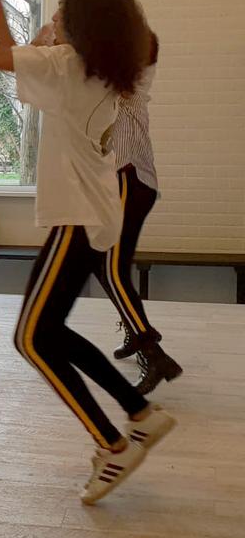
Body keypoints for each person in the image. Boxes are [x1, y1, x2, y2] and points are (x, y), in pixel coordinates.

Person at [0, 0, 175, 503]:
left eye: (62, 6)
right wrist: (5, 8)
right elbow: (18, 57)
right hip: (92, 212)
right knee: (51, 330)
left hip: (77, 216)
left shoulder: (68, 65)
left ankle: (114, 442)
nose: (55, 12)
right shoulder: (103, 66)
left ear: (80, 22)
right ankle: (139, 414)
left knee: (32, 337)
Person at [93, 33, 182, 394]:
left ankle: (153, 352)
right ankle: (136, 332)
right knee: (106, 265)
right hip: (130, 183)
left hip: (131, 181)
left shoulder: (130, 86)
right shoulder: (125, 92)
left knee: (111, 270)